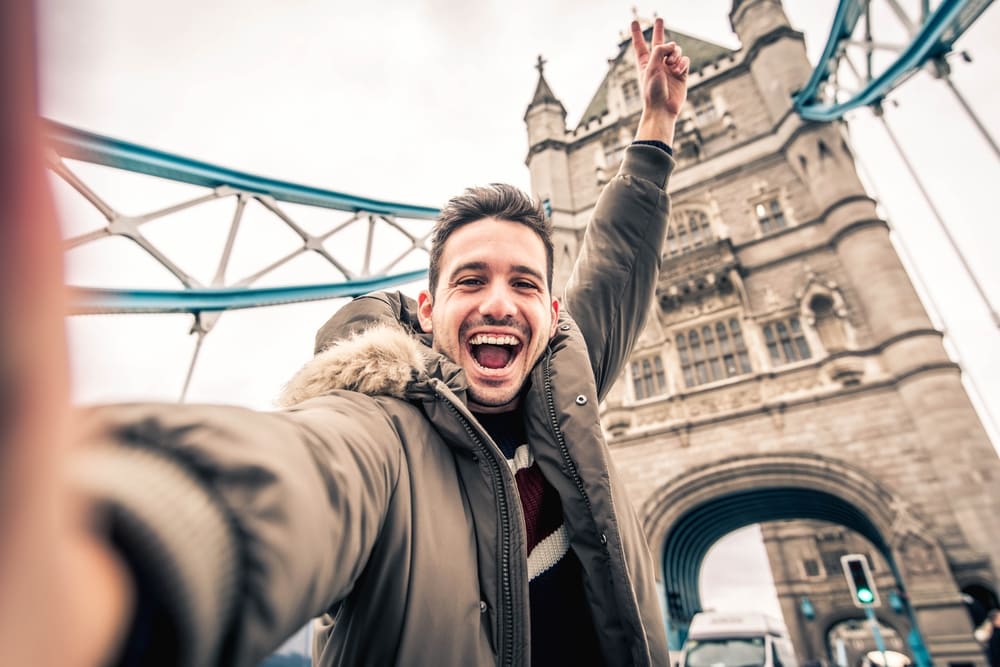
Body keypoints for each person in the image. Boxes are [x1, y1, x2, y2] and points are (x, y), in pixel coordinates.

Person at [1, 13, 689, 667]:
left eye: (524, 283)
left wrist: (656, 127)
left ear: (552, 310)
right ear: (428, 310)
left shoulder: (569, 398)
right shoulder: (385, 427)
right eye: (471, 279)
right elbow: (304, 479)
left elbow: (618, 265)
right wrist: (119, 547)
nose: (500, 304)